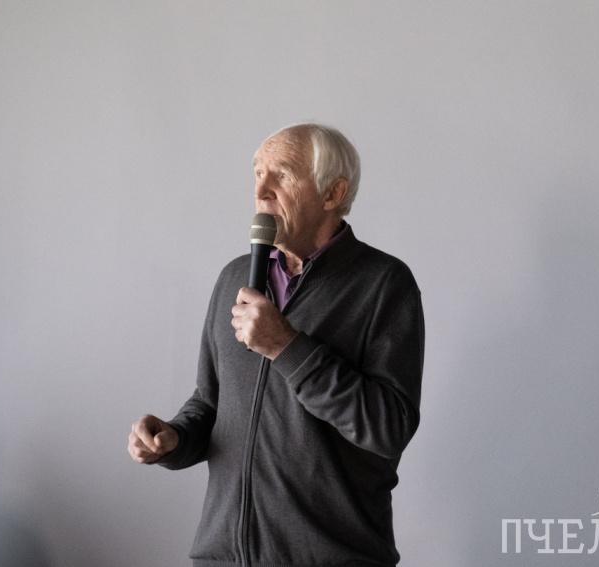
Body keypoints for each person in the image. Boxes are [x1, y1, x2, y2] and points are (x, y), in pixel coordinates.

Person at [128, 123, 425, 567]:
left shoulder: (383, 284)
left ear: (333, 193)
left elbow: (388, 428)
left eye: (282, 175)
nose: (260, 190)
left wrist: (286, 346)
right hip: (222, 558)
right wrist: (174, 439)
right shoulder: (235, 277)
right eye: (257, 173)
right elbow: (210, 403)